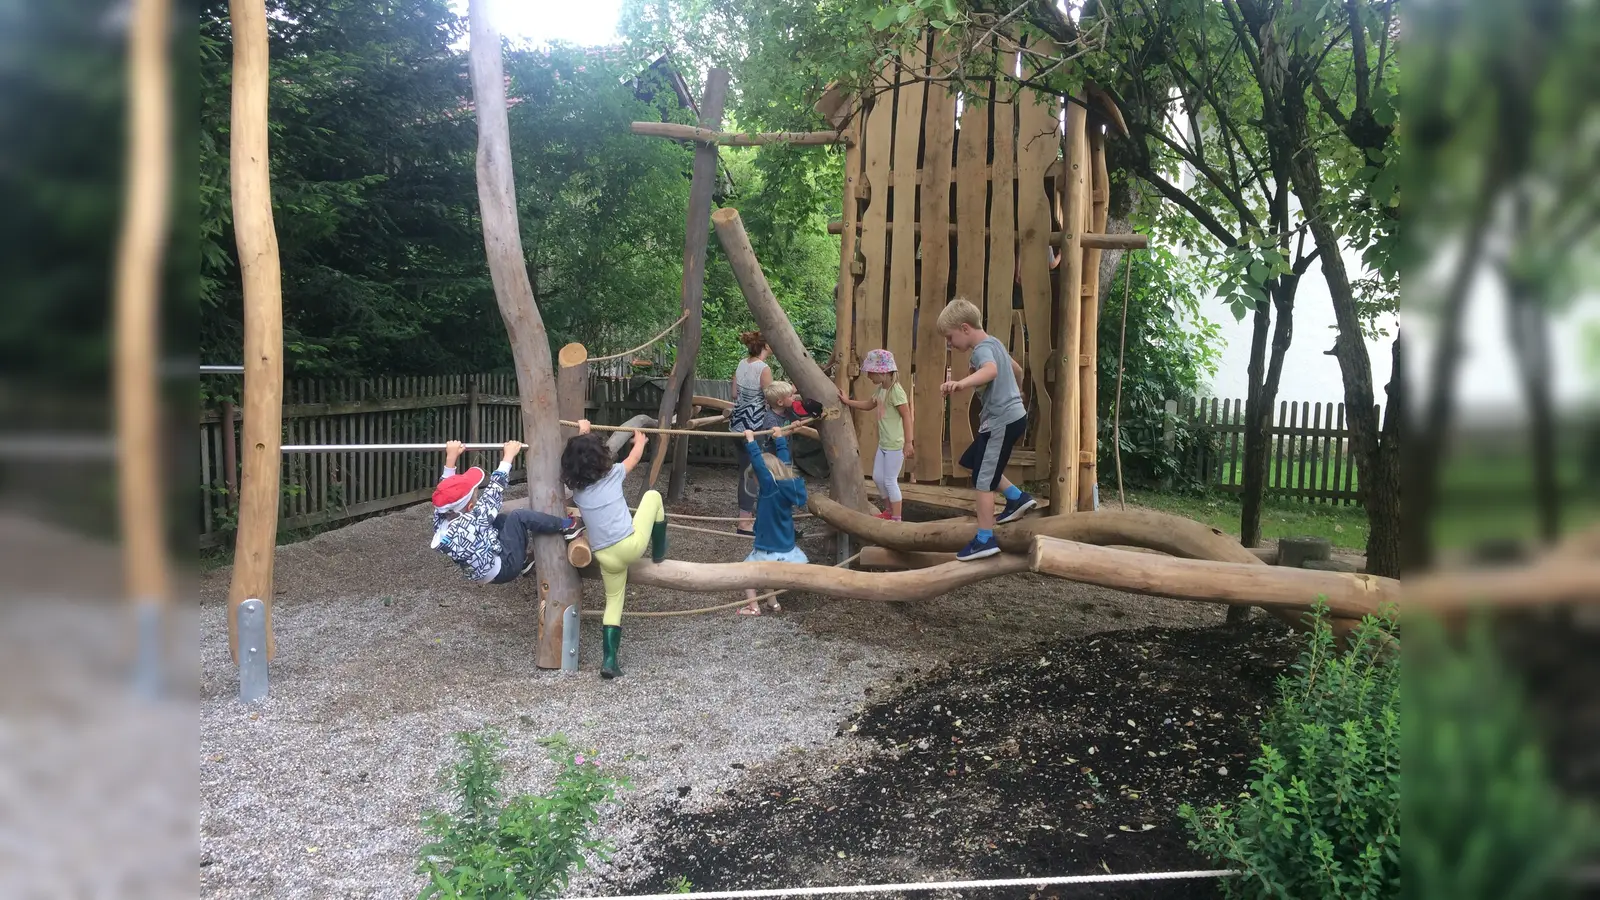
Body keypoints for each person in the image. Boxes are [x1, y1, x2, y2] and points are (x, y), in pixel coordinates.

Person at [561, 421, 667, 679]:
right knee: (653, 497)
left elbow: (582, 456)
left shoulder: (578, 492)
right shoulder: (614, 474)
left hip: (604, 556)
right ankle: (660, 551)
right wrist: (640, 443)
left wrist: (583, 432)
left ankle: (610, 660)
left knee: (614, 601)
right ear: (602, 458)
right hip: (629, 547)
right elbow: (633, 458)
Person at [937, 298, 1038, 560]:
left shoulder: (981, 350)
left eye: (950, 337)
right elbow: (1015, 369)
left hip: (1001, 422)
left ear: (965, 328)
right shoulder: (996, 344)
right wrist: (1016, 393)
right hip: (1008, 418)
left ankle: (985, 539)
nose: (950, 344)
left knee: (983, 481)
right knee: (972, 460)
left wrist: (961, 383)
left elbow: (991, 371)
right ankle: (1016, 498)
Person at [430, 440, 584, 584]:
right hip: (505, 567)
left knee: (501, 520)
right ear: (470, 507)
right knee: (518, 517)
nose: (478, 494)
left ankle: (523, 558)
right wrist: (508, 456)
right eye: (476, 494)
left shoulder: (442, 519)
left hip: (484, 568)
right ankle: (567, 526)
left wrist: (451, 458)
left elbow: (444, 492)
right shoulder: (474, 520)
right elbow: (494, 490)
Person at [736, 425, 808, 616]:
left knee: (746, 572)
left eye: (757, 478)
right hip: (786, 546)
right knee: (766, 573)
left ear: (763, 476)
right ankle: (773, 604)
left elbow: (759, 465)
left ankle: (753, 607)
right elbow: (785, 463)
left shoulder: (770, 489)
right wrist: (780, 439)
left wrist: (751, 442)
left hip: (770, 546)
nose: (757, 482)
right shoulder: (786, 485)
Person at [838, 349, 915, 521]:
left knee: (889, 480)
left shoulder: (896, 391)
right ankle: (888, 510)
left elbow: (906, 416)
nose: (869, 376)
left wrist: (908, 442)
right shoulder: (881, 390)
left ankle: (897, 518)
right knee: (878, 478)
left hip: (895, 444)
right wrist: (847, 402)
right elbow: (868, 404)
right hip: (884, 444)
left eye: (871, 372)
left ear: (884, 372)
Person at [727, 330, 773, 535]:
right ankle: (744, 522)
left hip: (737, 424)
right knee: (751, 474)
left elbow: (734, 393)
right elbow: (771, 397)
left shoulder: (740, 364)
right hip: (754, 427)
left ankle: (751, 516)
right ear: (765, 346)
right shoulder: (764, 369)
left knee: (746, 472)